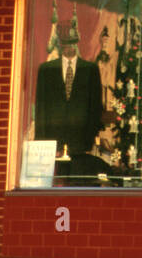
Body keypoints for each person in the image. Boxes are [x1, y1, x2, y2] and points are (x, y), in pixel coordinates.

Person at [35, 19, 103, 157]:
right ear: (59, 44)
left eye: (72, 42)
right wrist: (41, 140)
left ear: (77, 42)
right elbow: (41, 107)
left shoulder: (90, 69)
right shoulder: (46, 70)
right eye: (65, 42)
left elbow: (95, 106)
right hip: (52, 141)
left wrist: (91, 138)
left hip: (81, 141)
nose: (68, 47)